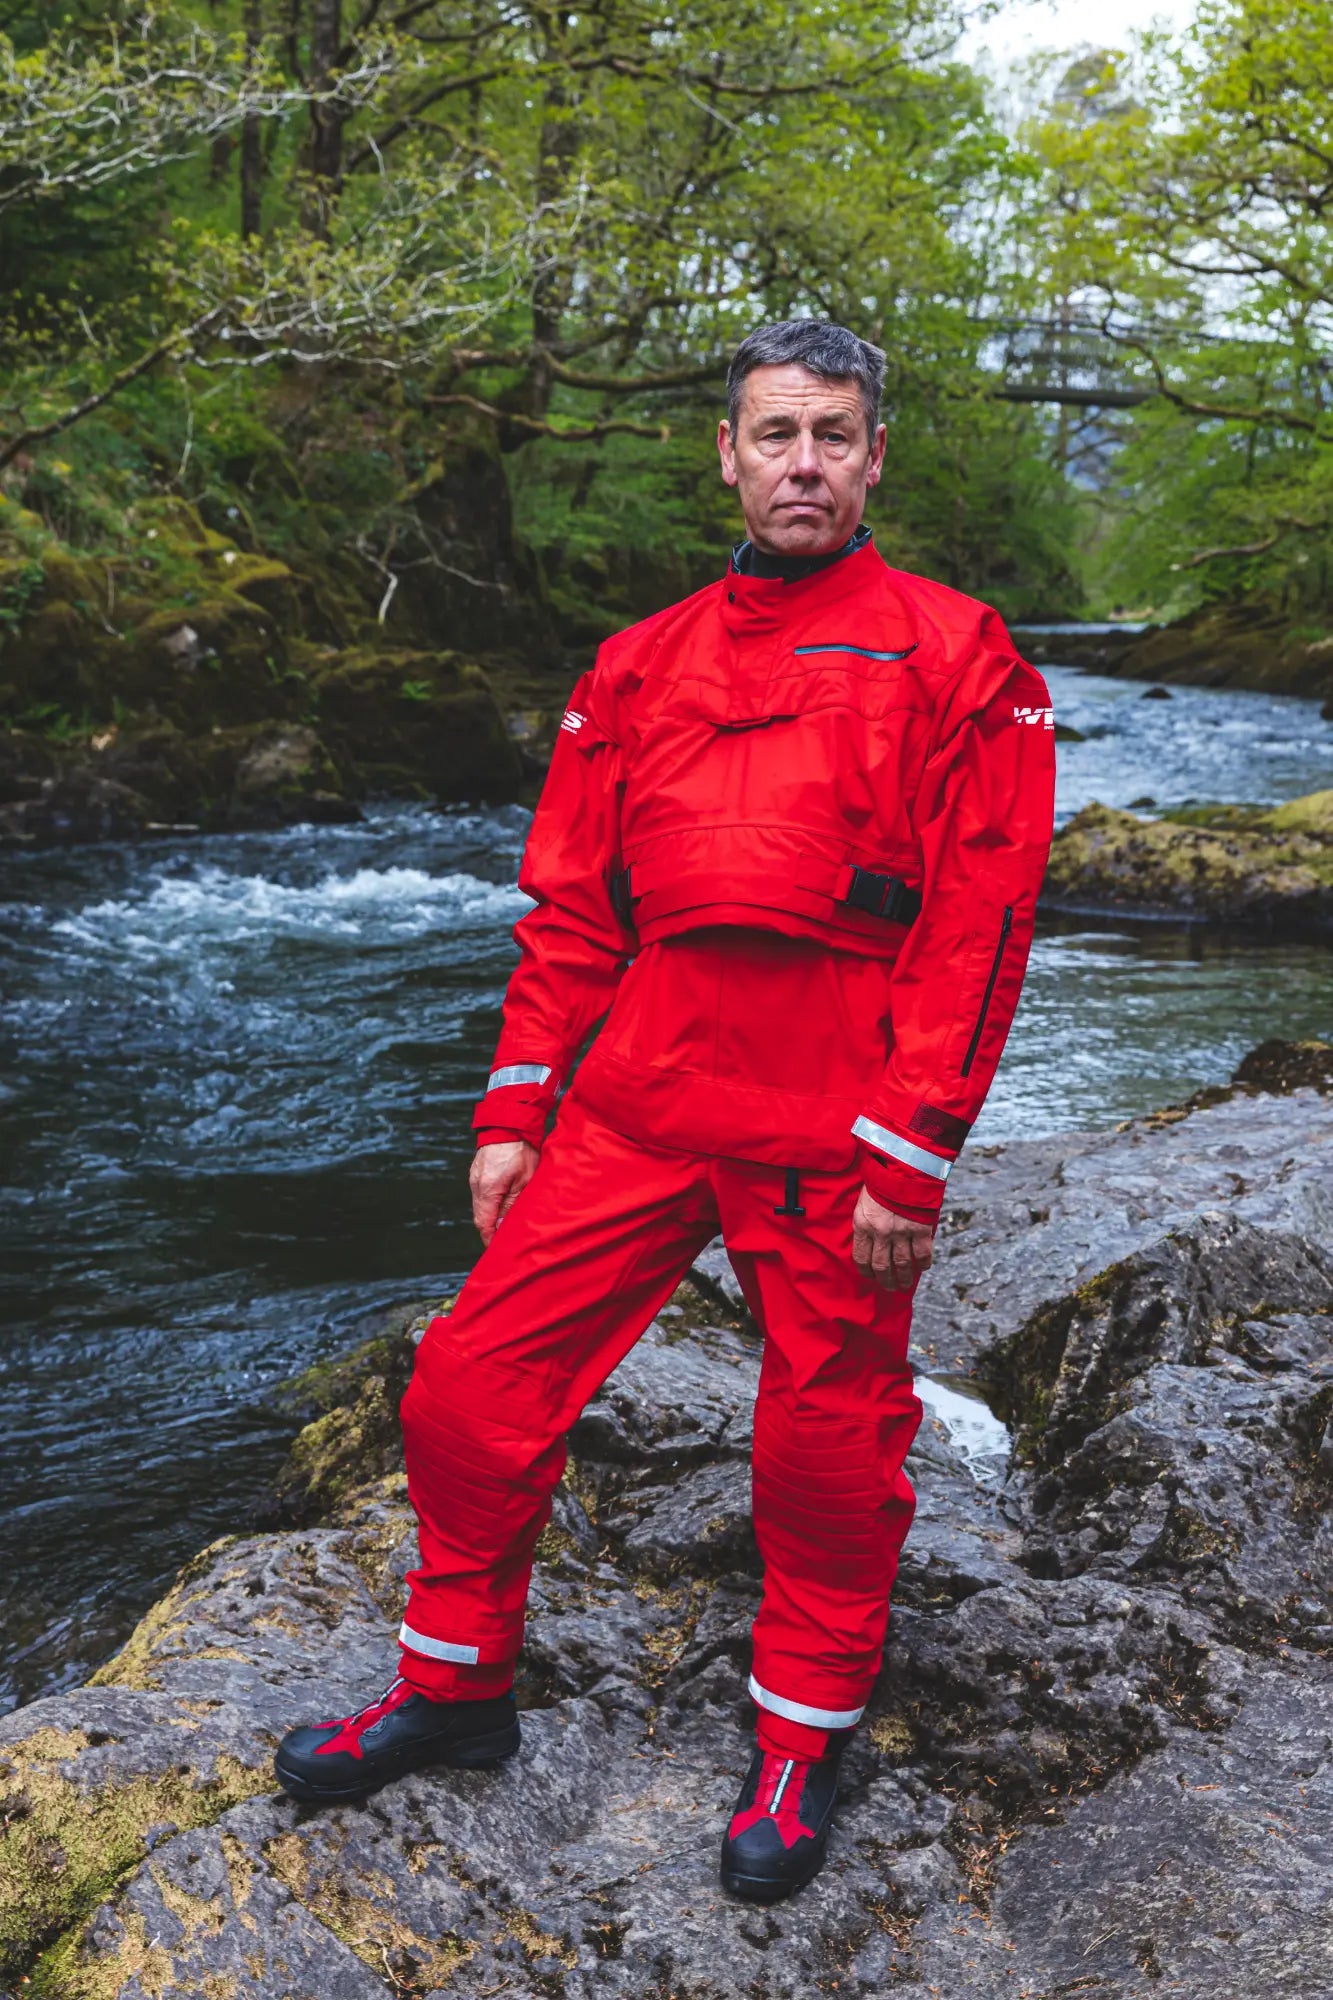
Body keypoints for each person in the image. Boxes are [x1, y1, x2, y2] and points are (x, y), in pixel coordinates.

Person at [275, 319, 1056, 1902]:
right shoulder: (636, 664)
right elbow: (570, 910)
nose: (804, 465)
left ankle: (799, 1734)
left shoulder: (959, 653)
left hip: (832, 1101)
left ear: (874, 457)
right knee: (465, 1385)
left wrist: (914, 1145)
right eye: (775, 434)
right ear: (724, 450)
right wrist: (515, 1112)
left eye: (834, 436)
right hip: (638, 1088)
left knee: (825, 1438)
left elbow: (981, 919)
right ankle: (455, 1689)